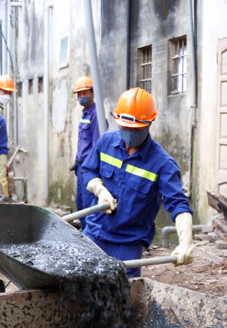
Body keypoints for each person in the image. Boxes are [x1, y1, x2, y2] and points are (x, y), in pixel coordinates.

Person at [79, 87, 195, 277]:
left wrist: (186, 242)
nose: (129, 133)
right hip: (94, 233)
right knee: (80, 283)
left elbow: (178, 204)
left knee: (123, 291)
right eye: (125, 127)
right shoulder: (106, 143)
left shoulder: (162, 164)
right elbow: (88, 170)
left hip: (126, 245)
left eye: (136, 129)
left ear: (150, 122)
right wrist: (100, 191)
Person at [69, 76, 100, 214]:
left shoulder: (96, 114)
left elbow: (96, 146)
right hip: (82, 167)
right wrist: (77, 161)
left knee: (89, 208)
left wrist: (89, 167)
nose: (81, 96)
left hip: (89, 168)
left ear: (93, 92)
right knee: (81, 205)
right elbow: (83, 142)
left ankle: (88, 229)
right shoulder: (85, 114)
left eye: (84, 93)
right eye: (79, 94)